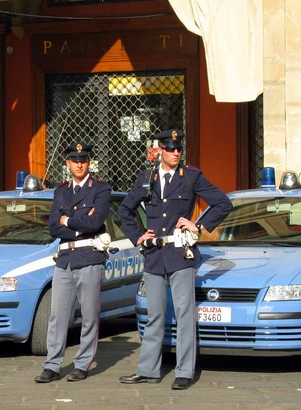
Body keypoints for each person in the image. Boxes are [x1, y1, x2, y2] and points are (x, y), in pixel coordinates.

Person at [118, 129, 233, 390]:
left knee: (184, 315)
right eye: (170, 148)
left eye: (178, 148)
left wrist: (198, 226)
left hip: (180, 253)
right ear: (160, 149)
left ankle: (184, 371)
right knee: (154, 315)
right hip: (154, 254)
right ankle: (148, 370)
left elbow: (223, 203)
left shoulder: (191, 176)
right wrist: (137, 236)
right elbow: (125, 208)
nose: (176, 152)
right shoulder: (147, 177)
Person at [34, 142, 111, 383]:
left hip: (89, 257)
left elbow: (96, 221)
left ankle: (82, 363)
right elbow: (52, 228)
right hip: (65, 259)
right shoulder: (61, 191)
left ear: (89, 162)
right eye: (75, 160)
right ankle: (52, 365)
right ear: (67, 163)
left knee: (89, 315)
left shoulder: (101, 189)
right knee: (57, 316)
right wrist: (78, 224)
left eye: (84, 159)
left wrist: (68, 221)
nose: (79, 163)